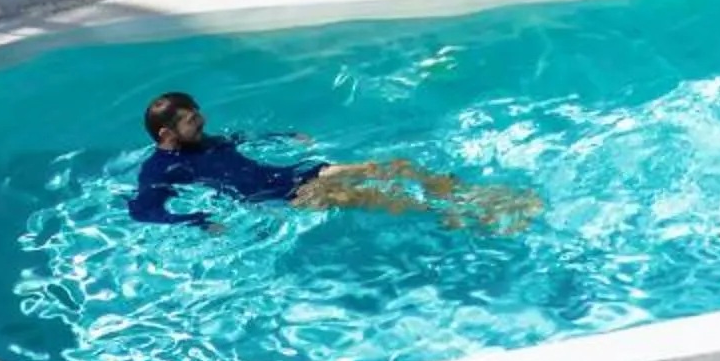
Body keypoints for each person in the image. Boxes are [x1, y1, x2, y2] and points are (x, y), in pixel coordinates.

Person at [125, 92, 536, 231]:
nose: (204, 120)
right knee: (374, 196)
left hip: (292, 174)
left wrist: (280, 137)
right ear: (167, 135)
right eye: (193, 119)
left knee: (391, 167)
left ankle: (466, 195)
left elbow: (235, 139)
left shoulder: (205, 141)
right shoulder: (161, 168)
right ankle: (461, 216)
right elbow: (144, 211)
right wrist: (197, 221)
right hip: (279, 197)